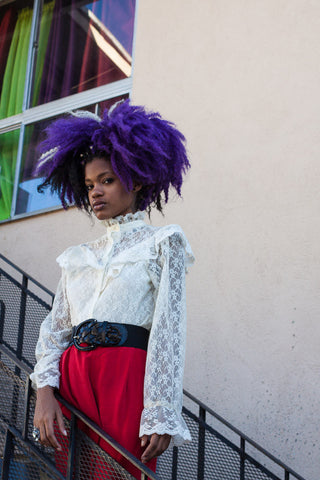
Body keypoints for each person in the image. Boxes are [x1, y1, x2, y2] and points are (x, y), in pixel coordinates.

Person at [30, 100, 194, 479]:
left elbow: (169, 330)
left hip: (126, 377)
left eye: (107, 180)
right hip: (72, 381)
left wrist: (160, 410)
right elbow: (55, 332)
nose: (95, 193)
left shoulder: (162, 241)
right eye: (89, 185)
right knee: (72, 472)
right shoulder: (77, 257)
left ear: (135, 180)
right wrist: (44, 394)